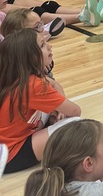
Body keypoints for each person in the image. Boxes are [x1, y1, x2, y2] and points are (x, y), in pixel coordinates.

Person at [0, 29, 81, 174]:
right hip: (10, 155)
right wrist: (60, 108)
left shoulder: (19, 74)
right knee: (75, 124)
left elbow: (55, 85)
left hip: (10, 142)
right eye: (43, 45)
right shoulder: (32, 85)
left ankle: (44, 127)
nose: (49, 46)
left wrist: (58, 108)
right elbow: (75, 111)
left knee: (52, 108)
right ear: (30, 56)